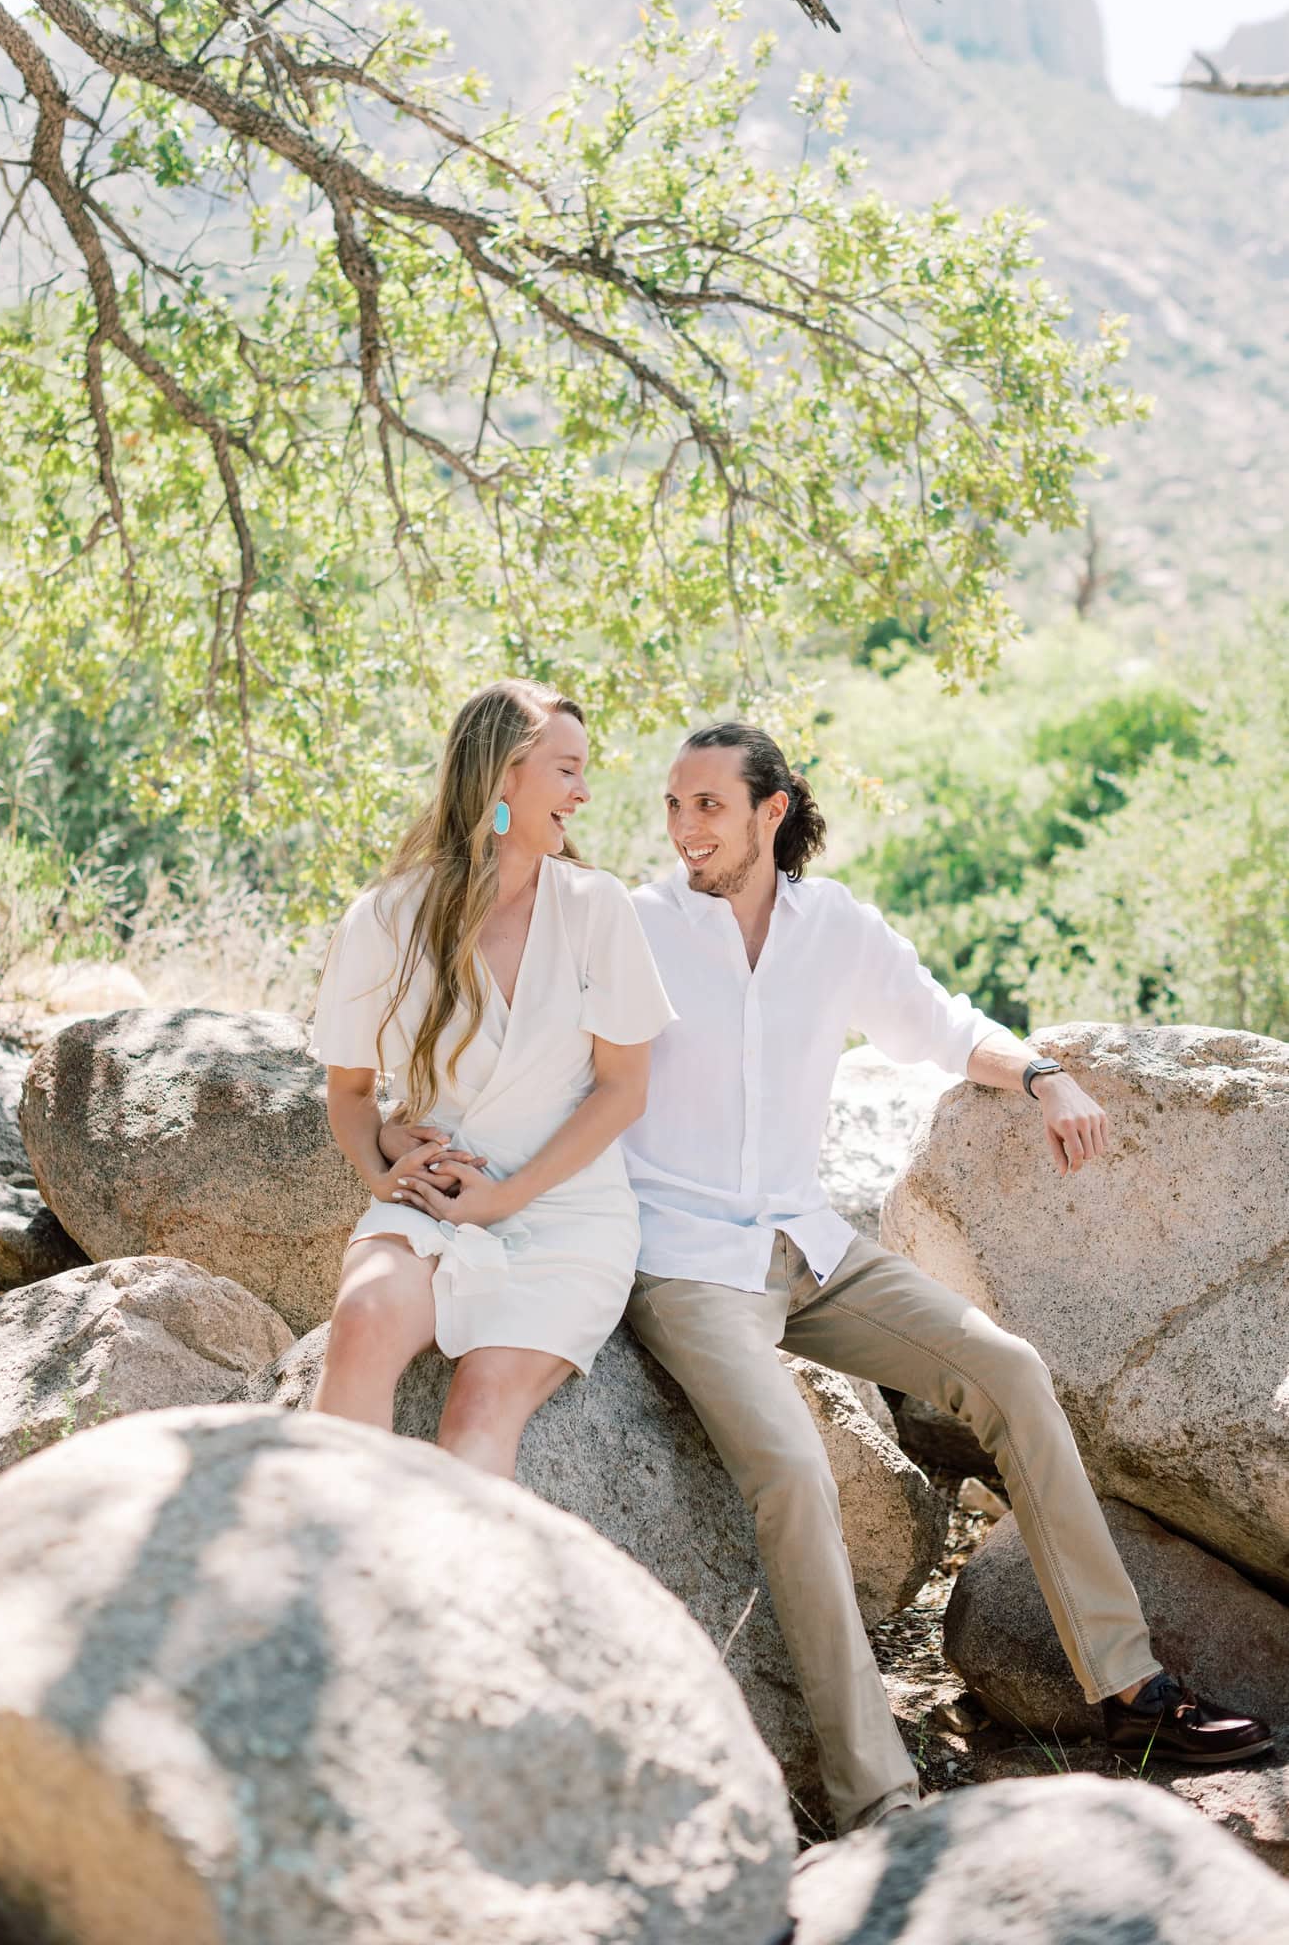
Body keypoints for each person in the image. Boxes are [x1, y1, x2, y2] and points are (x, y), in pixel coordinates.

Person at [622, 719, 1272, 1834]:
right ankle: (880, 1798)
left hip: (808, 1247)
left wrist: (1043, 1073)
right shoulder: (635, 928)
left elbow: (940, 1024)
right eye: (674, 805)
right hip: (683, 1262)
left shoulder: (834, 928)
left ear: (773, 810)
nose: (685, 827)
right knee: (795, 1472)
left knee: (1007, 1370)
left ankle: (1129, 1692)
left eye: (709, 805)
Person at [306, 679, 675, 1478]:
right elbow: (350, 1092)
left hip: (566, 1211)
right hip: (435, 1200)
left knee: (479, 1407)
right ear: (504, 775)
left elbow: (624, 1089)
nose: (582, 793)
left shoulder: (597, 907)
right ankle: (330, 1542)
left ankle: (459, 1561)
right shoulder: (386, 918)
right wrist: (381, 1171)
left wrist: (505, 1199)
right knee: (363, 1317)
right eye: (566, 770)